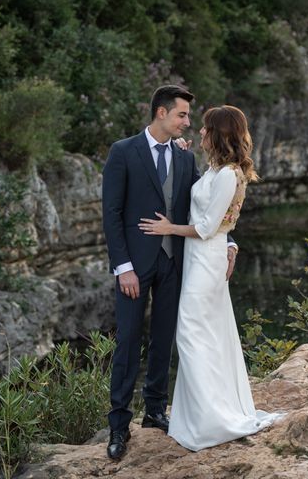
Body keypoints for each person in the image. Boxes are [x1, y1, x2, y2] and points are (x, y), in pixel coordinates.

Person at [101, 85, 238, 460]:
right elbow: (111, 214)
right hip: (134, 266)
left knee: (165, 338)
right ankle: (118, 425)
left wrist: (229, 242)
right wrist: (123, 267)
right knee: (128, 341)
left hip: (175, 261)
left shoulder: (184, 157)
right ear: (161, 113)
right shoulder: (123, 152)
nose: (187, 123)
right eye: (182, 115)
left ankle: (155, 410)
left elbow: (206, 209)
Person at [139, 105, 285, 451]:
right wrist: (182, 157)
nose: (199, 132)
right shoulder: (216, 170)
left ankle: (211, 420)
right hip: (199, 259)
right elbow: (201, 204)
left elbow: (207, 227)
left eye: (205, 129)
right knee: (206, 336)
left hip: (206, 260)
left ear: (218, 134)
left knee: (190, 334)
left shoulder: (228, 175)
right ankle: (199, 416)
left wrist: (168, 228)